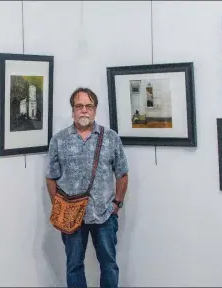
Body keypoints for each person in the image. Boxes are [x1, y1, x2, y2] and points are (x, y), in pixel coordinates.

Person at [45, 87, 129, 288]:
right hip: (71, 216)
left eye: (88, 106)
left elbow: (122, 173)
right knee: (74, 266)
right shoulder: (59, 140)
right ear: (73, 110)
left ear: (95, 110)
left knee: (109, 265)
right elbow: (51, 177)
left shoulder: (110, 138)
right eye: (79, 106)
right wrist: (59, 207)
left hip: (104, 214)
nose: (84, 110)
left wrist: (116, 204)